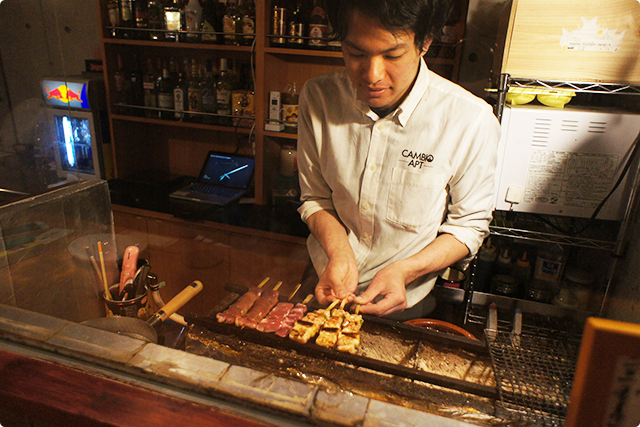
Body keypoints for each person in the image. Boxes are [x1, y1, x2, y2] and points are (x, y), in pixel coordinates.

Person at [297, 0, 501, 320]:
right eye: (356, 53)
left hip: (405, 294)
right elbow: (316, 198)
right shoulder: (319, 97)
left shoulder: (470, 119)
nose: (372, 75)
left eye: (392, 55)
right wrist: (340, 254)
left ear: (426, 42)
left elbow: (468, 227)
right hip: (326, 277)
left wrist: (405, 271)